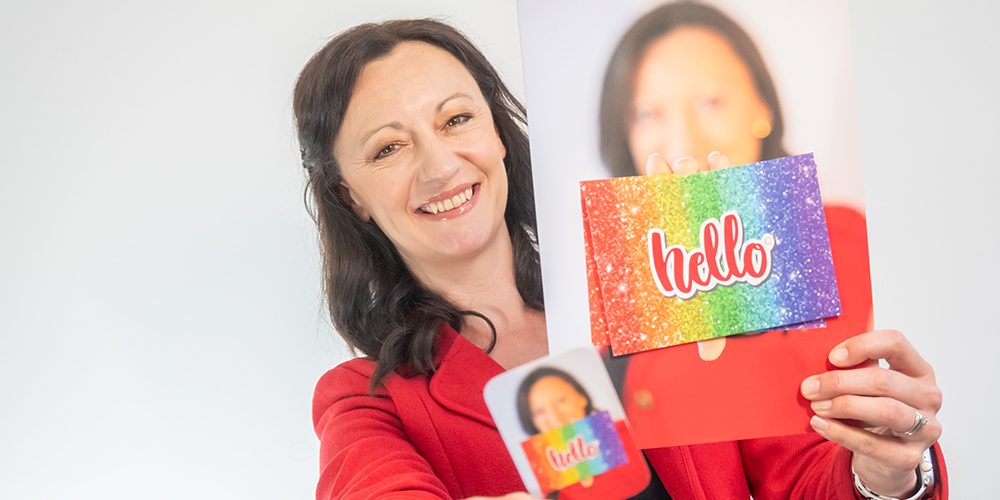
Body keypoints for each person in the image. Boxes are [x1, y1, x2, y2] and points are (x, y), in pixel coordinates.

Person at [296, 15, 945, 500]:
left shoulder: (668, 290)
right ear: (351, 195)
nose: (440, 164)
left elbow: (803, 479)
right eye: (388, 148)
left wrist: (882, 470)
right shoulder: (364, 402)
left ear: (496, 133)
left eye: (455, 120)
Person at [596, 2, 946, 499]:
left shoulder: (830, 239)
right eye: (649, 111)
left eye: (711, 101)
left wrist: (884, 476)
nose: (683, 138)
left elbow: (808, 461)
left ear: (761, 107)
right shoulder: (616, 282)